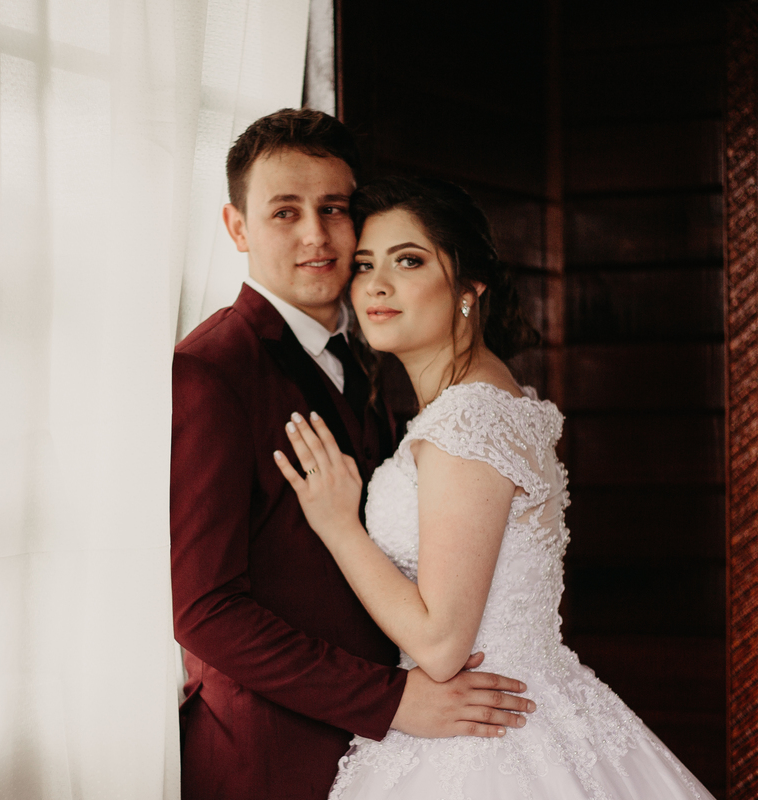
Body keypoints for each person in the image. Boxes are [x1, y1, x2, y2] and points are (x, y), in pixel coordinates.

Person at [273, 175, 714, 799]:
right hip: (501, 709)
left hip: (484, 738)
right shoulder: (483, 399)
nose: (376, 284)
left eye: (408, 260)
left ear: (469, 286)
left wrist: (339, 526)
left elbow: (441, 645)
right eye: (365, 264)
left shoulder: (468, 421)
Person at [170, 109, 535, 800]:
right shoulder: (210, 371)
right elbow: (204, 611)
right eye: (285, 212)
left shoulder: (374, 348)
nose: (315, 234)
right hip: (272, 757)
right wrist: (390, 700)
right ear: (237, 228)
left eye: (333, 208)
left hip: (393, 748)